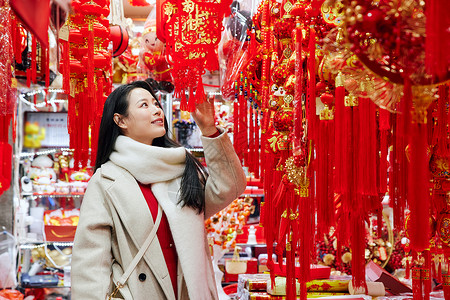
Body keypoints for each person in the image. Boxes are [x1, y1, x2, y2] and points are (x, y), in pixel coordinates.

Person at [71, 79, 247, 300]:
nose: (156, 109)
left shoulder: (179, 168)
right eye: (144, 105)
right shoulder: (106, 181)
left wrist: (209, 130)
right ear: (120, 120)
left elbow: (229, 187)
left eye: (155, 103)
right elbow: (90, 266)